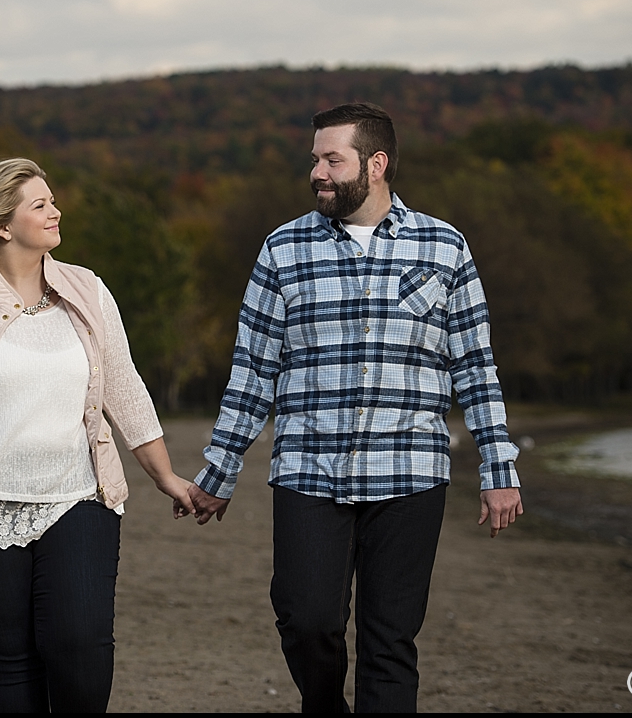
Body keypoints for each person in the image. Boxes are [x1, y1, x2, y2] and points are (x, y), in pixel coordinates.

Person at [187, 101, 523, 716]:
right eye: (314, 158)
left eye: (331, 159)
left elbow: (475, 368)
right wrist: (220, 471)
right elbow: (253, 370)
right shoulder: (282, 250)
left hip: (411, 475)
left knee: (390, 641)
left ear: (377, 163)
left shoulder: (444, 247)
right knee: (307, 621)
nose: (317, 171)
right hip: (309, 472)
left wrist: (500, 473)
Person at [0, 158, 195, 714]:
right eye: (40, 204)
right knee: (11, 664)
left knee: (81, 647)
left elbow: (124, 388)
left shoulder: (88, 291)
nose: (56, 211)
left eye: (53, 200)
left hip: (78, 496)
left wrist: (163, 474)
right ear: (3, 224)